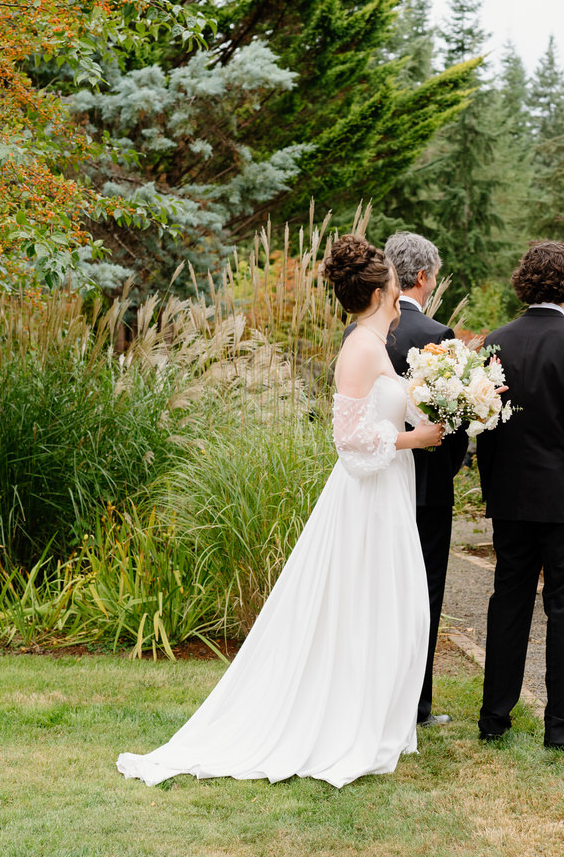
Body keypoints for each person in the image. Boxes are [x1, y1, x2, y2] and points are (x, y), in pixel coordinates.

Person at [116, 235, 444, 788]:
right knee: (362, 605)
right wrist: (418, 440)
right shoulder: (361, 347)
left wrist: (455, 397)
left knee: (390, 604)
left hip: (386, 494)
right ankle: (340, 725)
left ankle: (372, 717)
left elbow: (384, 410)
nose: (397, 284)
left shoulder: (375, 342)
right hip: (367, 500)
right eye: (391, 278)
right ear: (383, 287)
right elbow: (349, 440)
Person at [475, 241, 564, 752]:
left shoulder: (495, 342)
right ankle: (561, 728)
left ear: (524, 281)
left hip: (510, 500)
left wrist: (494, 492)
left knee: (508, 602)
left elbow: (485, 426)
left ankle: (493, 718)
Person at [356, 232, 468, 727]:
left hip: (370, 483)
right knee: (424, 592)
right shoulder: (438, 335)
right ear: (423, 277)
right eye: (435, 276)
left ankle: (368, 695)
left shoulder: (358, 332)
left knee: (373, 589)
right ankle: (415, 706)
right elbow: (453, 421)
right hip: (424, 487)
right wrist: (452, 466)